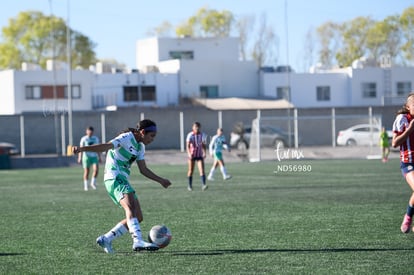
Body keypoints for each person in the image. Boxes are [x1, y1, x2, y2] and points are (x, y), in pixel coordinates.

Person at [72, 119, 172, 253]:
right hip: (114, 177)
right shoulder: (126, 138)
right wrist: (82, 149)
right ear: (142, 132)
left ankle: (106, 239)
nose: (152, 139)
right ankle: (137, 241)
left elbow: (143, 169)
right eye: (151, 136)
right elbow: (106, 146)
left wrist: (161, 180)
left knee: (138, 216)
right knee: (130, 206)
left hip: (122, 179)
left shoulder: (140, 147)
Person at [392, 92, 414, 233]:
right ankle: (408, 217)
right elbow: (394, 143)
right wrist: (409, 131)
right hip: (409, 163)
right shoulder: (403, 119)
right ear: (408, 106)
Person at [78, 126, 101, 191]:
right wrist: (80, 157)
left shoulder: (95, 138)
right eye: (89, 131)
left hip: (94, 156)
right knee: (87, 171)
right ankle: (86, 186)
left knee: (96, 170)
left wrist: (99, 157)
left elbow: (98, 148)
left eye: (91, 132)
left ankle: (93, 183)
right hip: (86, 157)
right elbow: (81, 149)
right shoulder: (84, 139)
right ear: (87, 131)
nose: (90, 133)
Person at [186, 122, 208, 191]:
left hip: (199, 155)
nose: (197, 128)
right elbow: (187, 145)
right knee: (190, 171)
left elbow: (204, 145)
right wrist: (189, 153)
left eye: (198, 126)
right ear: (193, 127)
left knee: (202, 170)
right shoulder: (190, 135)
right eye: (195, 126)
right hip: (192, 155)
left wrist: (204, 152)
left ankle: (204, 185)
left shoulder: (203, 135)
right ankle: (189, 186)